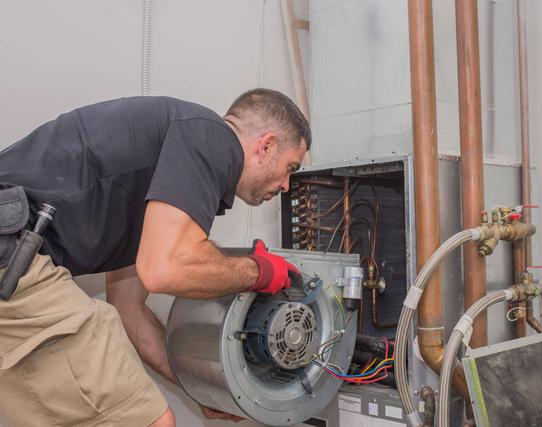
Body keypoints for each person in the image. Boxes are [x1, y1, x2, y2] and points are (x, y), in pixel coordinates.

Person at [0, 88, 311, 427]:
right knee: (150, 421)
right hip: (13, 255)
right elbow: (165, 269)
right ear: (266, 146)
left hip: (14, 260)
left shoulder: (165, 173)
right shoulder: (211, 137)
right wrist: (260, 272)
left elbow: (128, 308)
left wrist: (197, 389)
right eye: (290, 168)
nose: (286, 185)